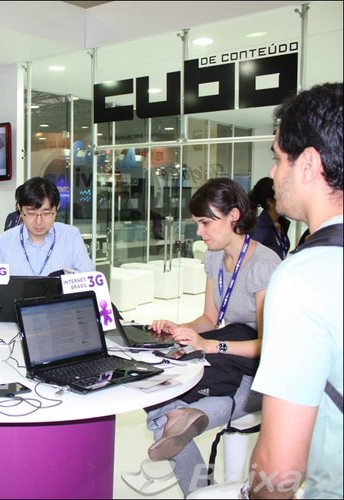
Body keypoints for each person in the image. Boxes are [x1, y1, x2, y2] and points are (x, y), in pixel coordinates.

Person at [145, 178, 281, 496]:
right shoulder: (215, 259)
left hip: (260, 371)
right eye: (198, 224)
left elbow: (270, 345)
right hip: (226, 360)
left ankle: (198, 485)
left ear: (233, 215)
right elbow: (209, 318)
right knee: (159, 398)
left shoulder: (264, 264)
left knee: (165, 422)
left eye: (206, 223)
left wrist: (210, 345)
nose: (200, 232)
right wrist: (178, 329)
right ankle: (201, 486)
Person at [248, 83, 342, 499]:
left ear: (307, 164)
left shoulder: (304, 277)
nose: (272, 174)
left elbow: (279, 469)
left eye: (277, 158)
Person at [0, 176, 94, 276]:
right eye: (31, 213)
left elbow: (89, 279)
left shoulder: (71, 236)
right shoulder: (3, 242)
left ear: (57, 208)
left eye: (46, 213)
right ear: (19, 208)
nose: (39, 221)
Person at [249, 176, 291, 260]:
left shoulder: (282, 224)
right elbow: (250, 260)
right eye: (281, 197)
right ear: (270, 202)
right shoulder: (259, 228)